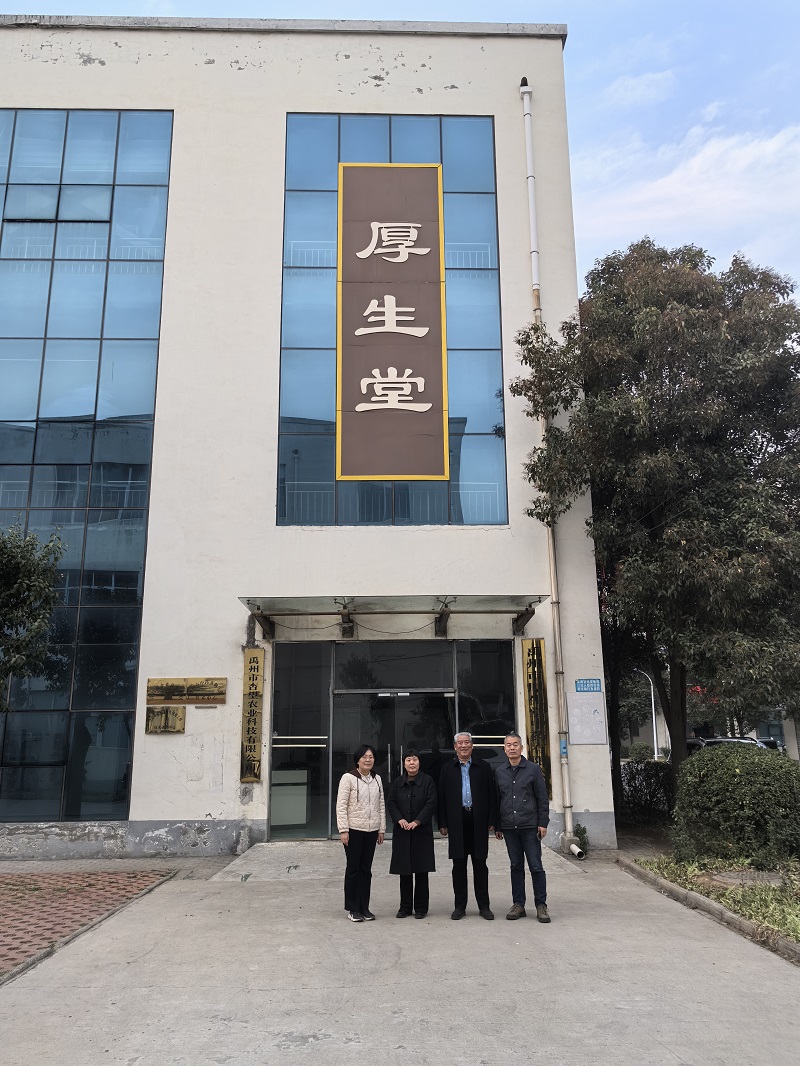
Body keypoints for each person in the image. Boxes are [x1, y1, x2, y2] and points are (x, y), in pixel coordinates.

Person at [438, 731, 497, 920]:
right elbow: (441, 798)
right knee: (458, 866)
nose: (463, 746)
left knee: (480, 865)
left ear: (472, 746)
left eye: (467, 742)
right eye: (460, 743)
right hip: (457, 821)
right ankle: (459, 906)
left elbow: (492, 795)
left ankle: (484, 906)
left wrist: (492, 820)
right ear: (455, 747)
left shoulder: (483, 767)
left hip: (478, 821)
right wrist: (442, 823)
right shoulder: (447, 768)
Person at [494, 731, 551, 923]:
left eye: (515, 744)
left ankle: (541, 905)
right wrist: (498, 825)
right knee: (516, 866)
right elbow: (498, 800)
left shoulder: (533, 769)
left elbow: (542, 798)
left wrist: (543, 822)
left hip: (530, 826)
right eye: (508, 745)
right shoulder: (500, 771)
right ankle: (518, 904)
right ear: (504, 749)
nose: (512, 748)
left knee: (536, 866)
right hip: (509, 827)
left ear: (521, 747)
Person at [336, 743, 385, 922]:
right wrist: (343, 830)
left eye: (371, 757)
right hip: (354, 830)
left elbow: (381, 804)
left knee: (366, 870)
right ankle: (352, 908)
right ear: (357, 760)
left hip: (371, 831)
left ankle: (364, 907)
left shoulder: (377, 779)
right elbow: (341, 805)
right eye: (364, 757)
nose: (368, 760)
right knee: (353, 869)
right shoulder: (348, 778)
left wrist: (381, 829)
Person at [386, 749, 437, 919]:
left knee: (421, 871)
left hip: (421, 831)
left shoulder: (428, 781)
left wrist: (417, 821)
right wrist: (399, 819)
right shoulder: (398, 782)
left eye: (415, 759)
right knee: (404, 871)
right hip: (403, 831)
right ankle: (405, 907)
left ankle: (421, 908)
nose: (412, 763)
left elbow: (431, 803)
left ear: (419, 763)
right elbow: (391, 803)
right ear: (404, 763)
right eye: (408, 760)